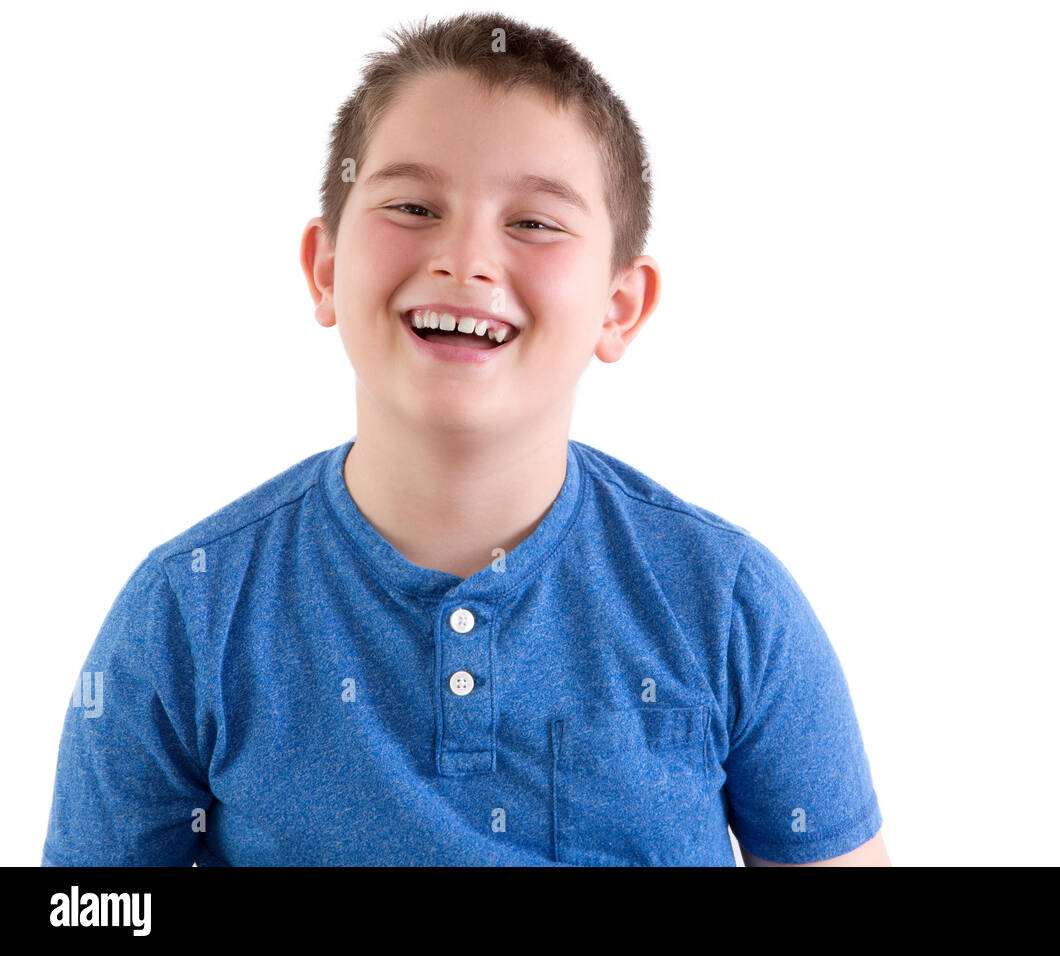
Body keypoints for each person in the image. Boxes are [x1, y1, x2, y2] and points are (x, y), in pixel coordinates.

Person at [42, 11, 888, 867]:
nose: (465, 258)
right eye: (412, 205)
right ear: (326, 268)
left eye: (534, 222)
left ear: (619, 305)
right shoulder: (187, 610)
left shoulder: (730, 604)